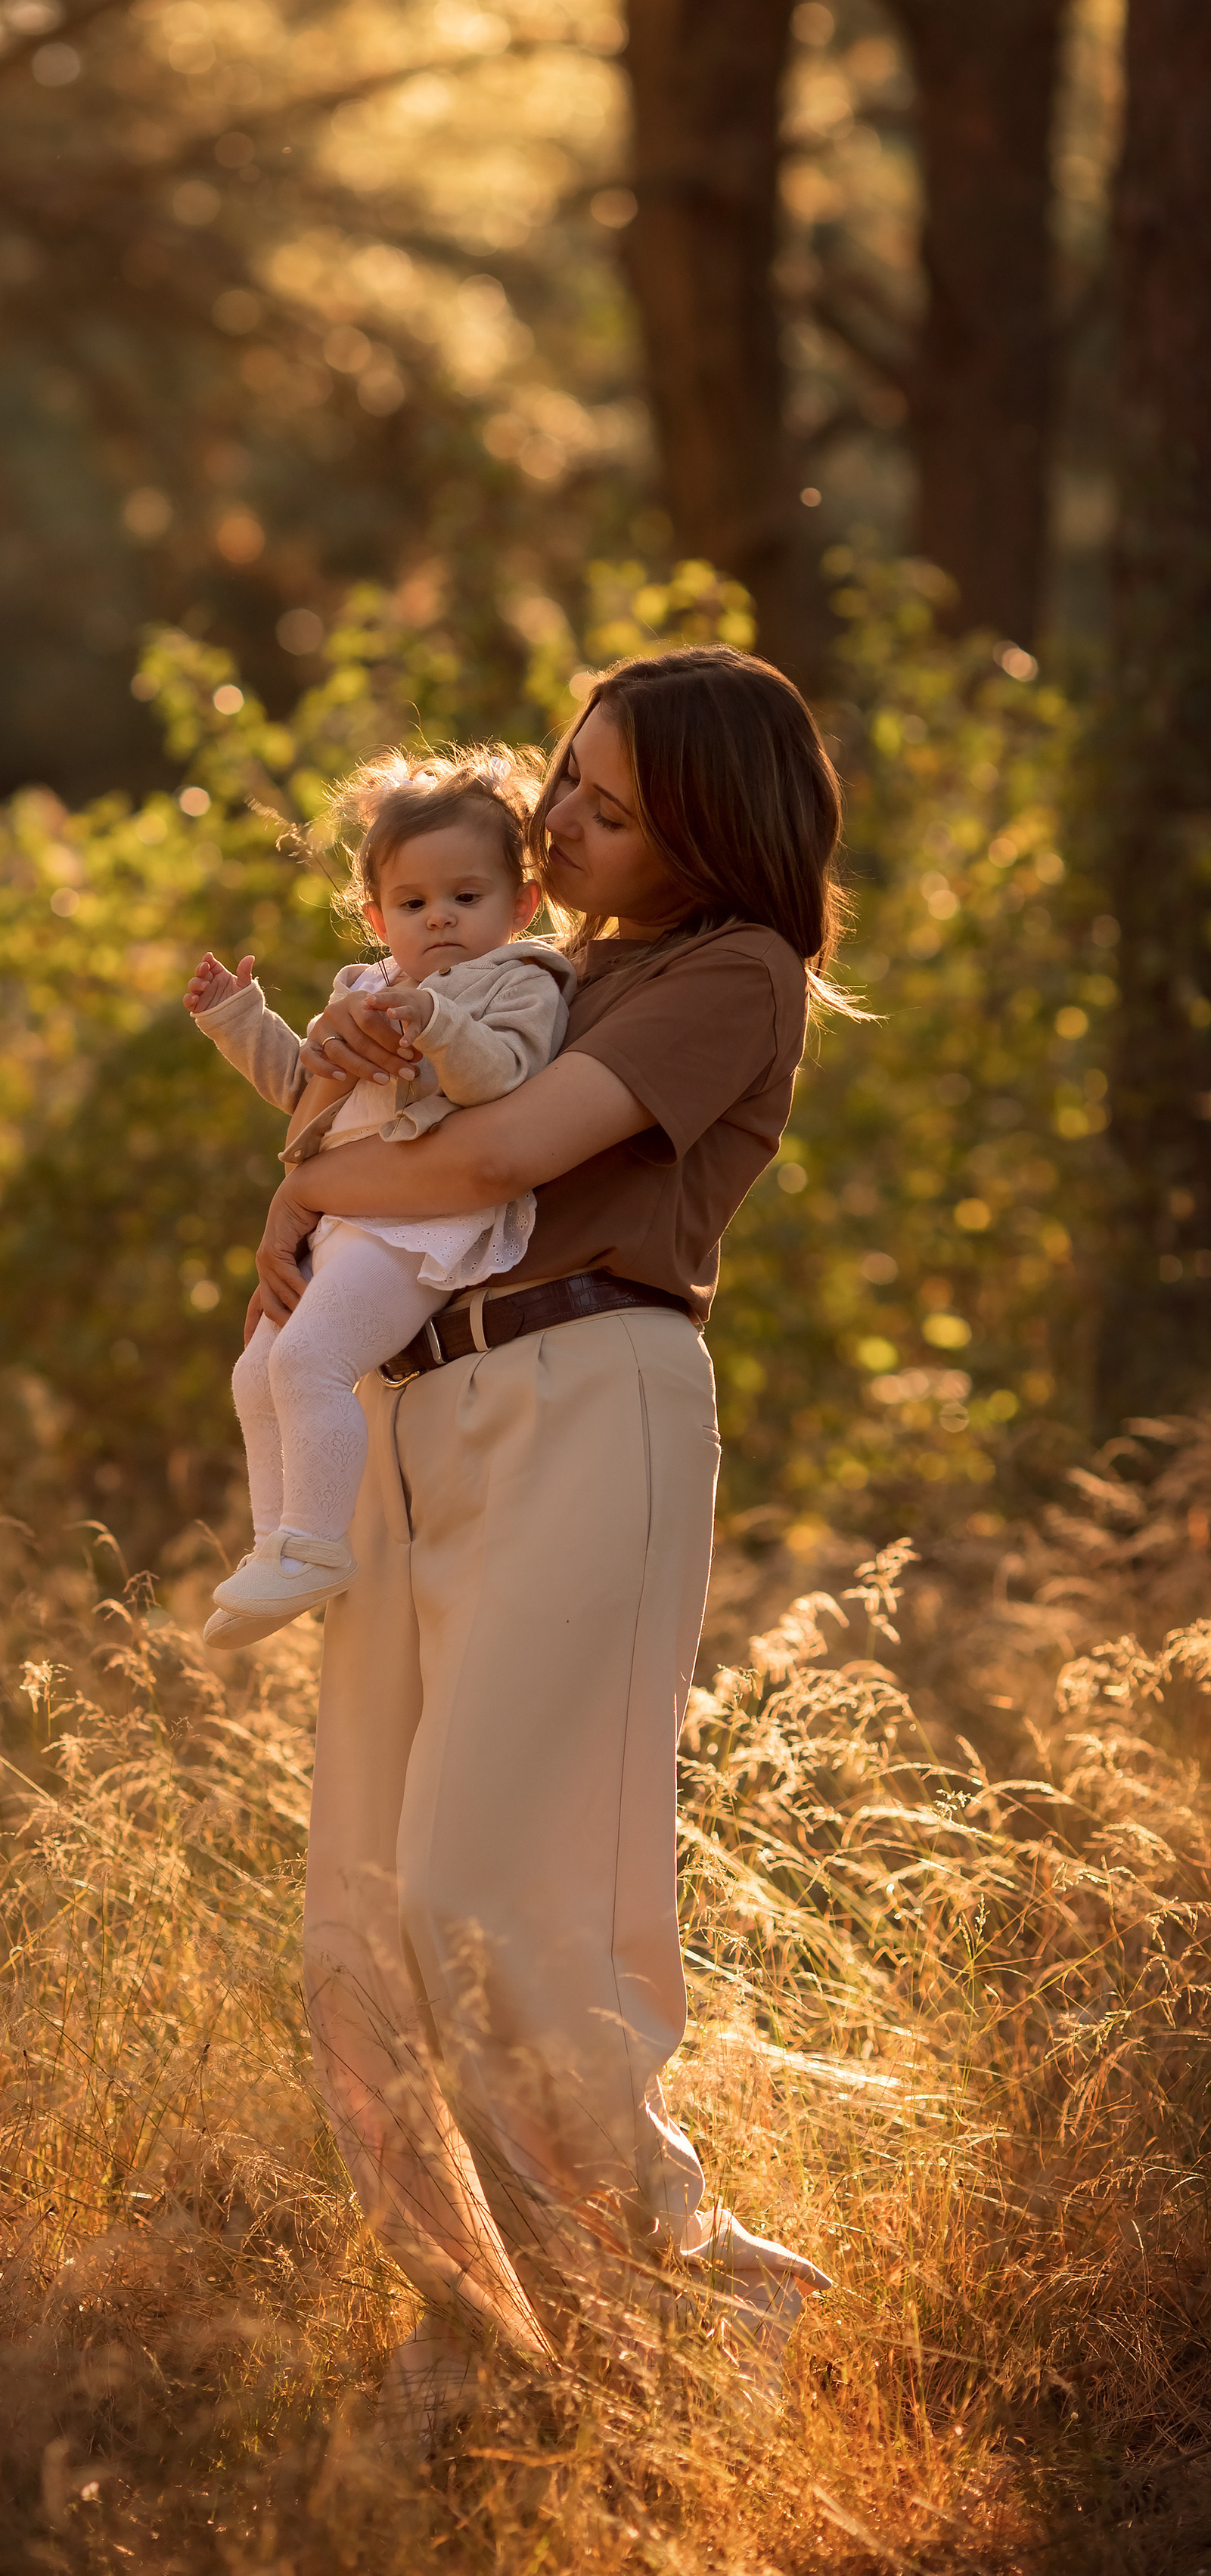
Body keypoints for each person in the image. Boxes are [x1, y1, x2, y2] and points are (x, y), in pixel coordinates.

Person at [250, 644, 846, 2441]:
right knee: (356, 1925)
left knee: (492, 1907)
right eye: (562, 780)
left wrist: (299, 1181)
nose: (553, 815)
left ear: (702, 824)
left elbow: (477, 1156)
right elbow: (364, 1131)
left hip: (589, 1394)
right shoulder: (519, 959)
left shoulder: (731, 973)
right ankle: (477, 2328)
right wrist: (313, 1125)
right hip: (413, 1417)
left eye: (598, 798)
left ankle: (692, 2288)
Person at [185, 750, 576, 1650]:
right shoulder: (362, 992)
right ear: (376, 917)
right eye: (412, 904)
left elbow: (498, 1078)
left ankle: (316, 1546)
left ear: (521, 904)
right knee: (256, 1371)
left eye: (465, 898)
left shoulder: (519, 982)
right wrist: (240, 1018)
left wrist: (440, 1022)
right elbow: (304, 1090)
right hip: (346, 1220)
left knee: (309, 1363)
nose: (438, 919)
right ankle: (277, 1544)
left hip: (424, 1222)